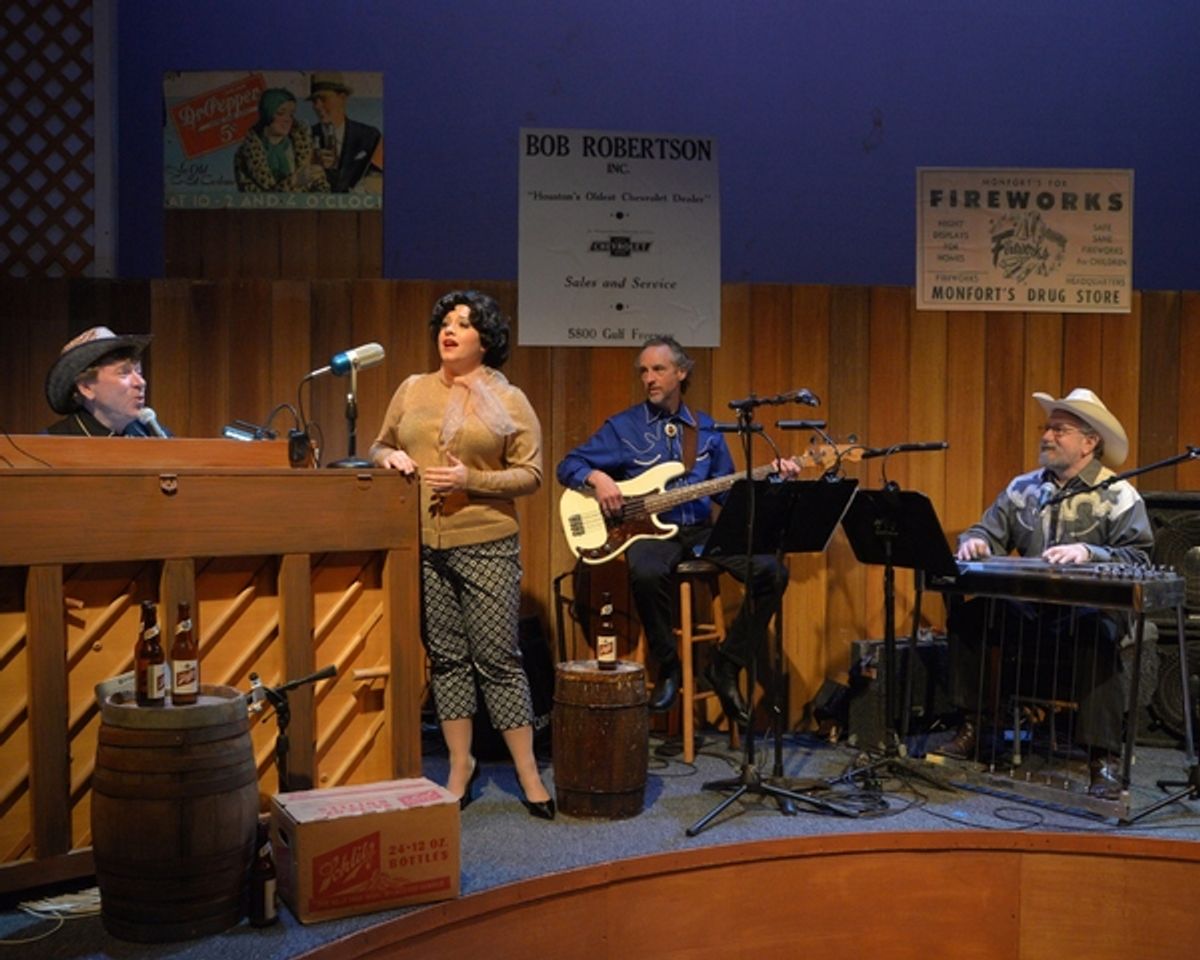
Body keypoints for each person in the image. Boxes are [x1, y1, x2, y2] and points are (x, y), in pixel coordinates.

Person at [369, 290, 554, 819]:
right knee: (447, 660)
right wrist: (391, 457)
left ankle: (527, 773)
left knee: (498, 659)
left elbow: (532, 474)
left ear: (486, 340)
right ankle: (459, 766)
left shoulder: (510, 398)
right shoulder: (411, 390)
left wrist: (472, 480)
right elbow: (378, 444)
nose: (450, 331)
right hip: (421, 544)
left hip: (486, 540)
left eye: (465, 324)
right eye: (445, 322)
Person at [556, 336, 800, 725]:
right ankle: (668, 664)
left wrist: (775, 480)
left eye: (658, 369)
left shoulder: (708, 430)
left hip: (702, 532)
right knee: (646, 572)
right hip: (651, 534)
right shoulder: (623, 428)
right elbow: (567, 465)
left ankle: (726, 664)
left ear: (681, 373)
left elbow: (731, 496)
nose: (649, 378)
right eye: (644, 371)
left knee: (772, 572)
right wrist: (598, 477)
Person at [936, 388, 1154, 800]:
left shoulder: (1120, 494)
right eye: (1047, 428)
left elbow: (1140, 558)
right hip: (1035, 609)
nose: (1047, 437)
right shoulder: (1023, 488)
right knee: (972, 615)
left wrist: (1089, 551)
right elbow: (987, 530)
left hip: (1090, 610)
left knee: (1096, 628)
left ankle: (1101, 760)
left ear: (1090, 442)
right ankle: (975, 726)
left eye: (1060, 430)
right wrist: (975, 541)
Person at [44, 326, 170, 436]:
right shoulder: (50, 445)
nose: (141, 382)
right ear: (86, 388)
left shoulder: (155, 437)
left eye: (139, 372)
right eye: (124, 373)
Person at [234, 87, 329, 193]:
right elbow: (255, 200)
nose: (287, 119)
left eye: (291, 114)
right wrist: (294, 181)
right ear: (268, 113)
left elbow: (322, 189)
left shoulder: (304, 147)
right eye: (280, 113)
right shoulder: (247, 153)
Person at [307, 72, 383, 193]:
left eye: (323, 99)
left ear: (342, 98)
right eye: (314, 101)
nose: (317, 106)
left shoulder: (369, 136)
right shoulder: (306, 136)